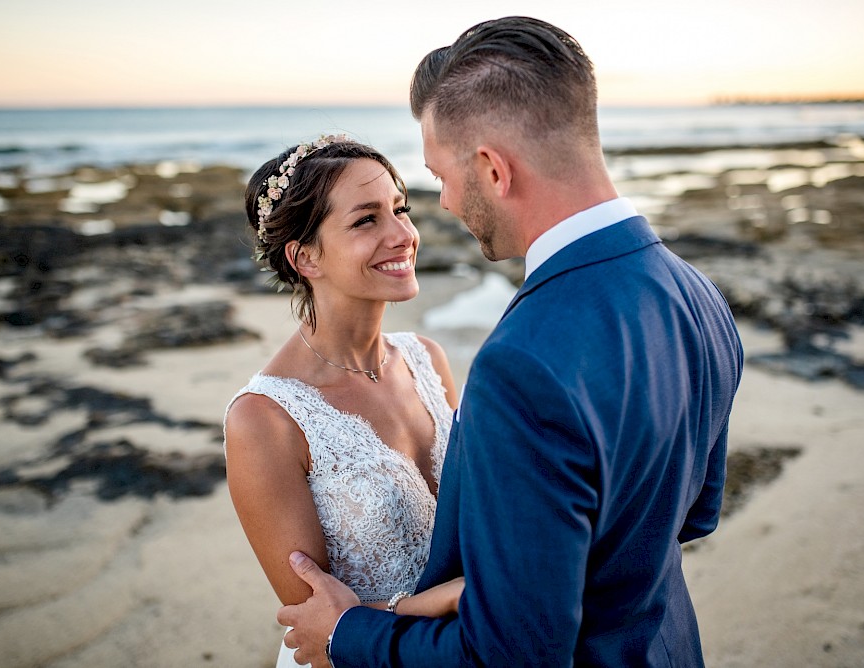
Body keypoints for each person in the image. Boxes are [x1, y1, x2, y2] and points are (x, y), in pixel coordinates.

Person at [277, 16, 744, 668]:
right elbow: (692, 516)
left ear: (493, 169)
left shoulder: (520, 367)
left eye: (441, 177)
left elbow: (512, 655)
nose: (441, 205)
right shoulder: (698, 297)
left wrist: (351, 631)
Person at [222, 135, 464, 668]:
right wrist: (448, 600)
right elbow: (315, 626)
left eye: (400, 209)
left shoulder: (427, 359)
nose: (402, 235)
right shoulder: (265, 419)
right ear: (305, 257)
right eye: (366, 221)